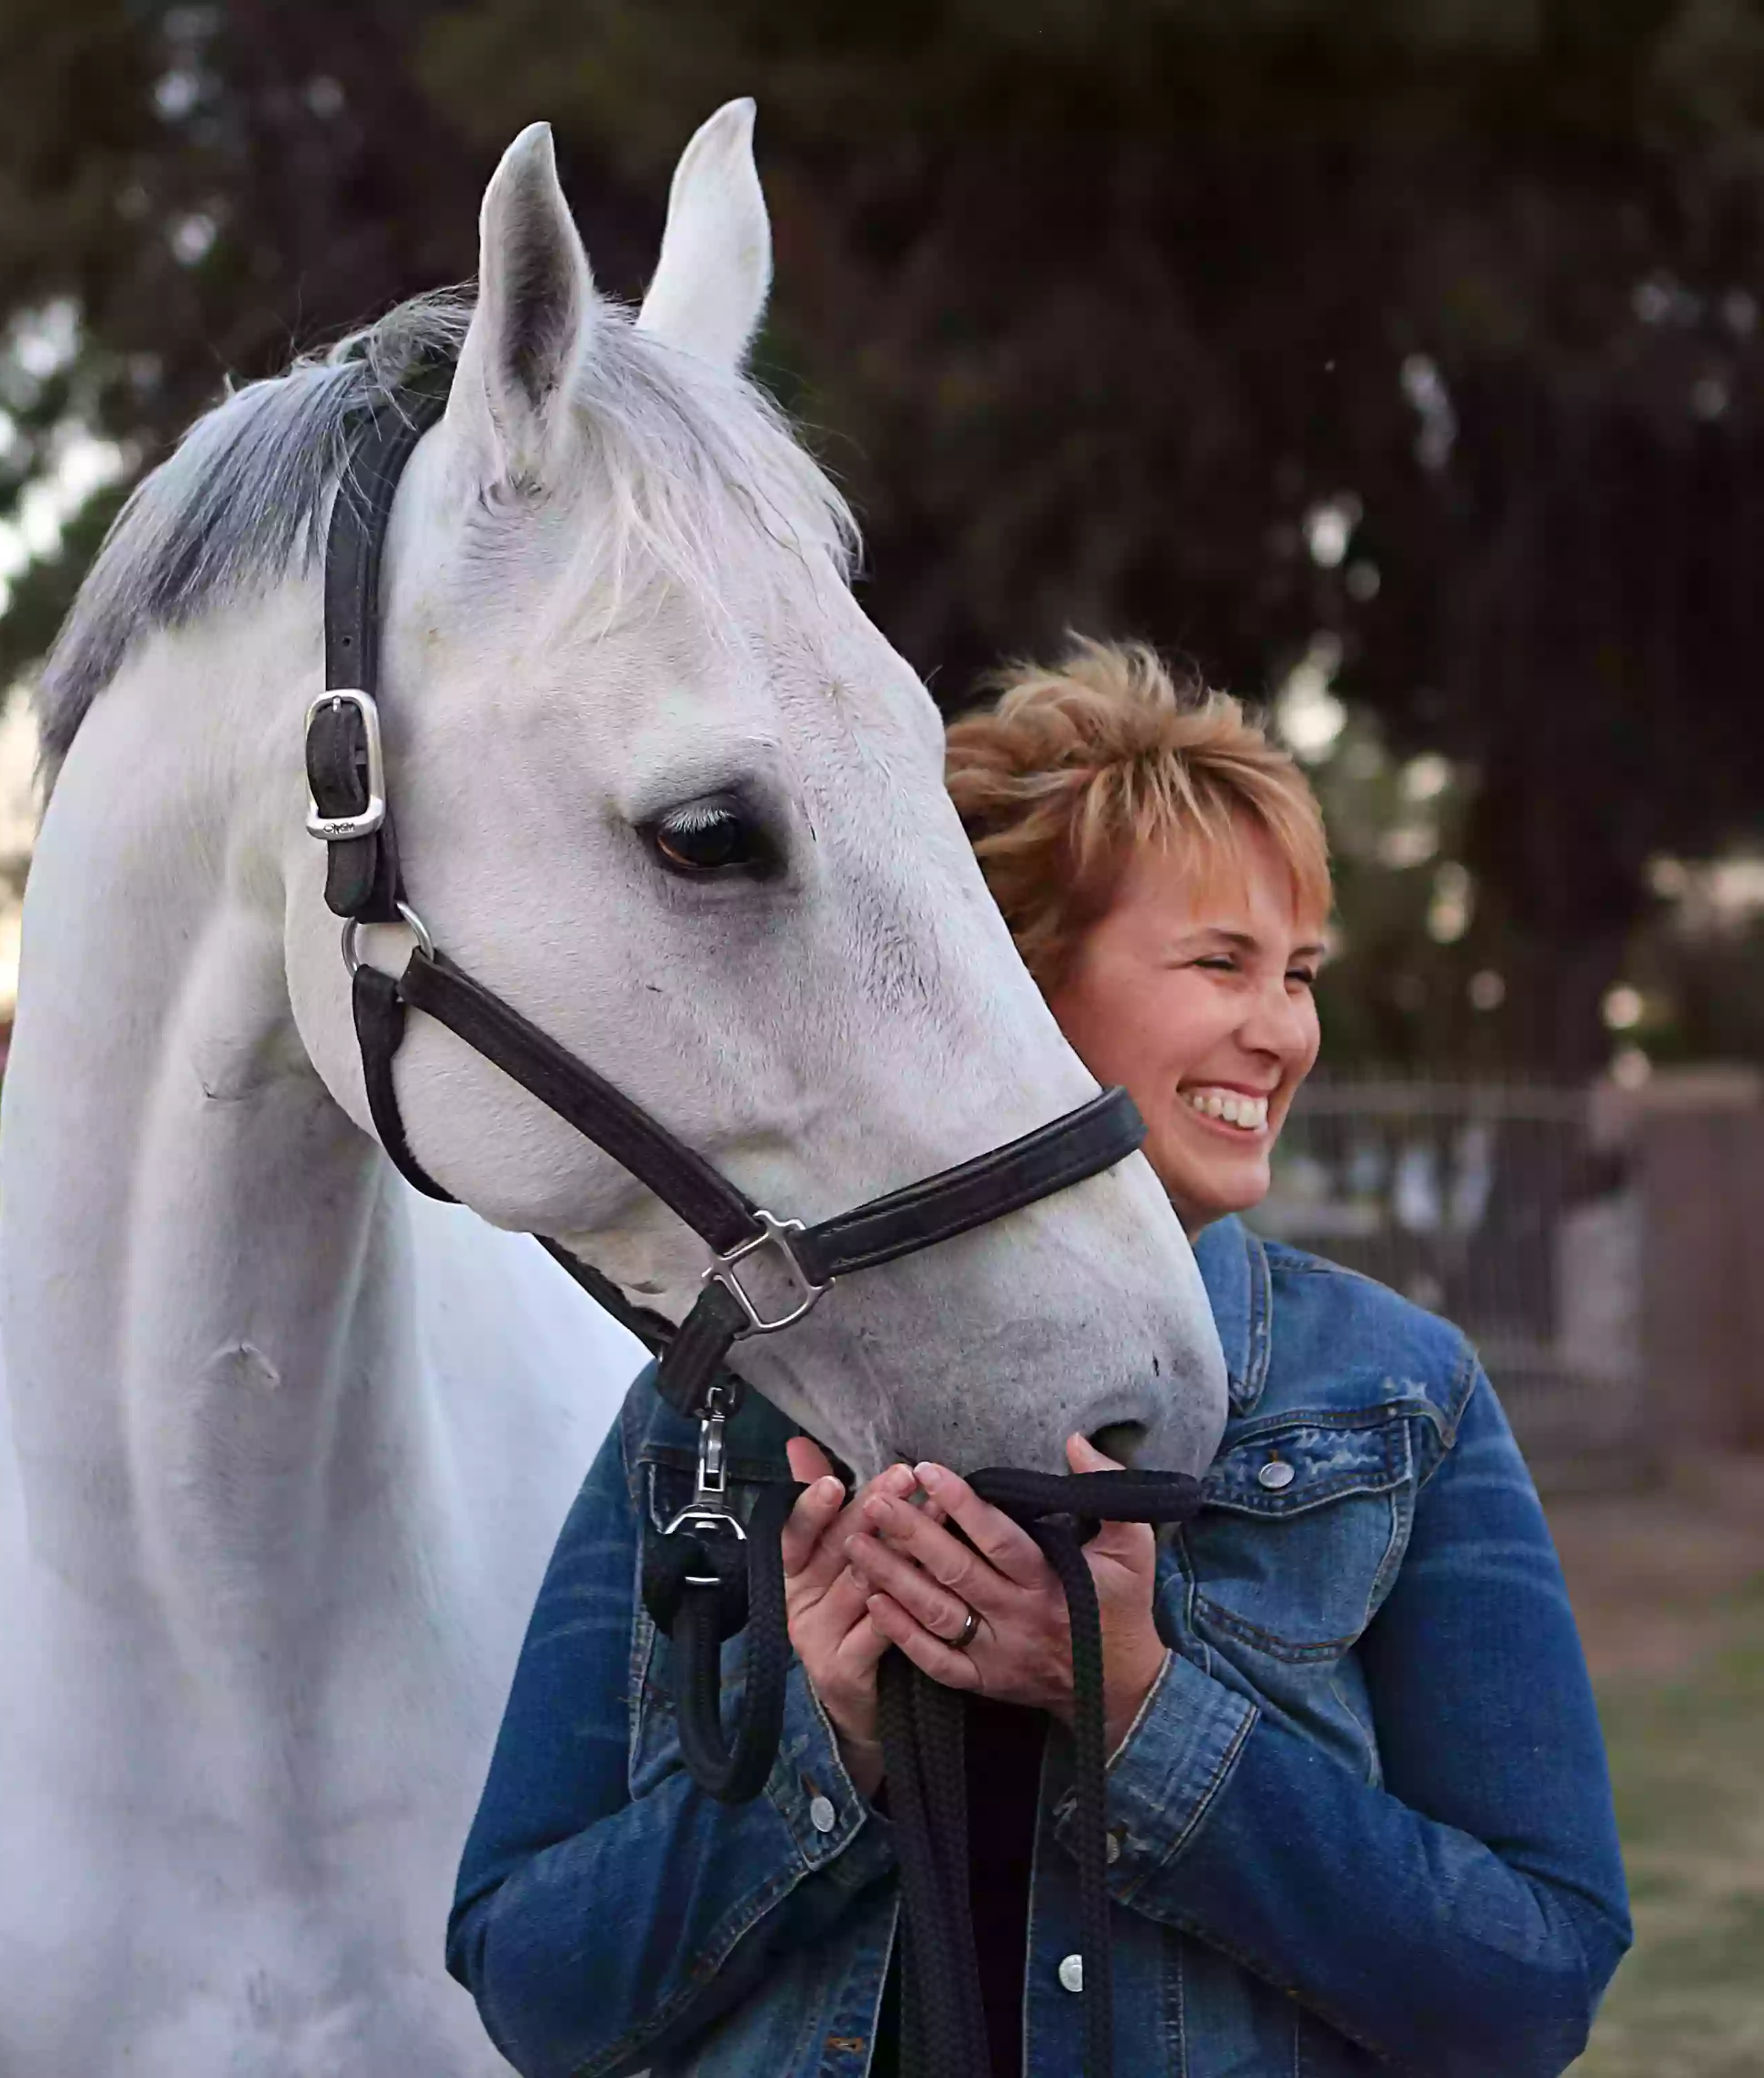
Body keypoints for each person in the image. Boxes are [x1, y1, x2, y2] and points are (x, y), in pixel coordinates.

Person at [448, 641, 1631, 2076]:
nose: (1281, 1030)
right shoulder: (704, 1414)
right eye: (1220, 963)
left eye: (1297, 973)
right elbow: (534, 1987)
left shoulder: (1395, 1400)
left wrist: (1139, 1711)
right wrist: (820, 1736)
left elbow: (1532, 1983)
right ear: (1007, 980)